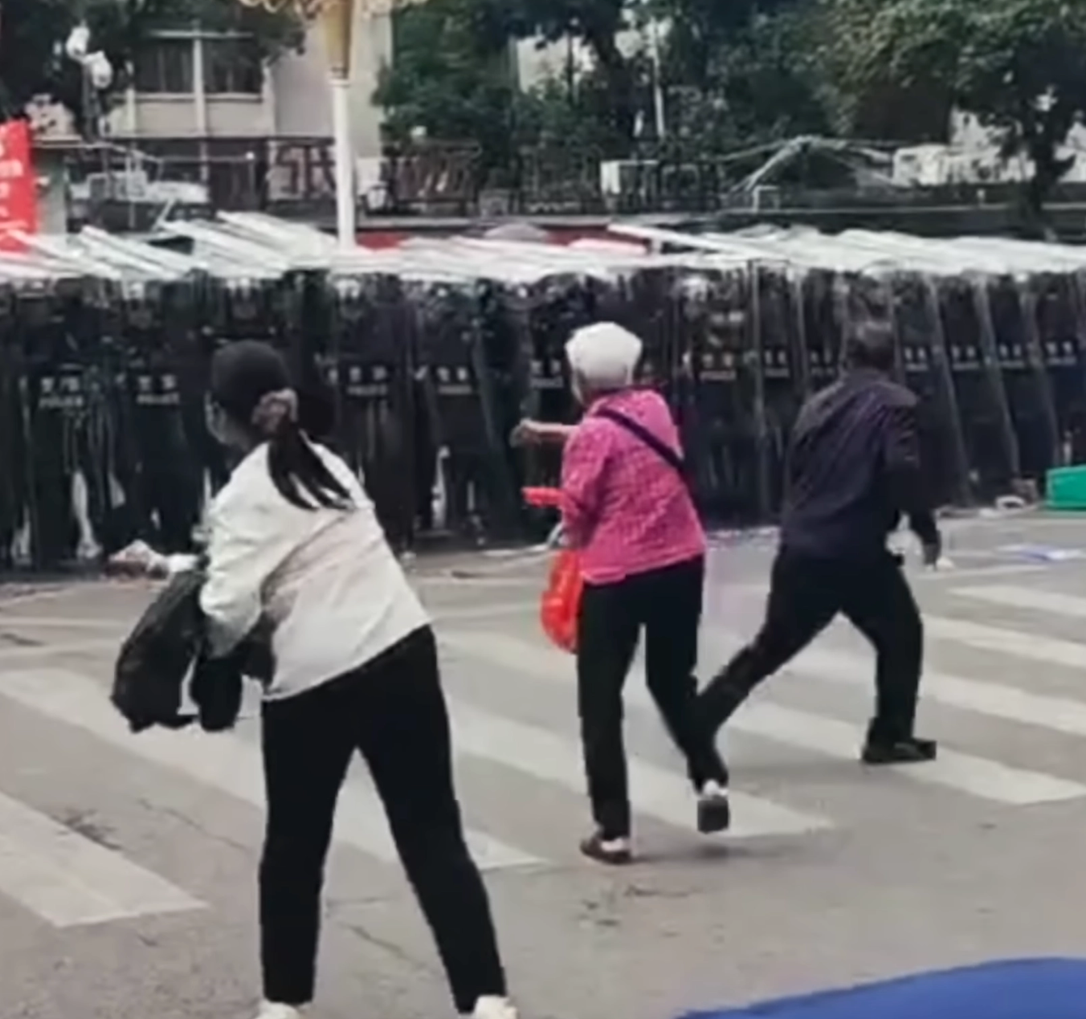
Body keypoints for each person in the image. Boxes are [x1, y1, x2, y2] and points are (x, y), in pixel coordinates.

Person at [199, 340, 517, 1019]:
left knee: (295, 846)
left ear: (222, 416)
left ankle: (284, 1001)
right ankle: (487, 997)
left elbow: (226, 611)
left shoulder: (241, 495)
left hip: (314, 679)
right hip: (402, 649)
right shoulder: (328, 464)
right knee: (432, 833)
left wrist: (209, 643)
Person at [513, 322, 729, 866]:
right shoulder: (654, 408)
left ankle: (613, 831)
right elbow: (619, 438)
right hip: (682, 562)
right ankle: (709, 778)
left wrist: (568, 534)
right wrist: (554, 433)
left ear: (580, 377)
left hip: (617, 578)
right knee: (672, 680)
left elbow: (580, 504)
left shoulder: (592, 437)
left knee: (601, 701)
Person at [698, 322, 941, 764]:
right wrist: (925, 527)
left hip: (804, 546)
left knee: (770, 646)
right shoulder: (897, 404)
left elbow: (793, 470)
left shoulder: (816, 405)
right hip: (856, 551)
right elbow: (902, 468)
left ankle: (700, 718)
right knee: (903, 636)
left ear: (846, 358)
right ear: (891, 359)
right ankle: (888, 737)